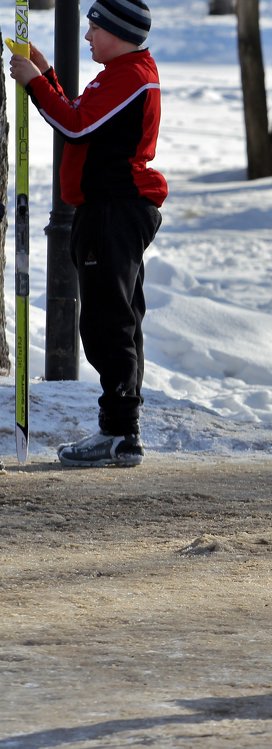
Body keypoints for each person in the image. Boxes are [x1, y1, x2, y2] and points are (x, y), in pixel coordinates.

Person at [8, 0, 167, 468]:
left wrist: (34, 85)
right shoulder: (119, 71)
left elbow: (75, 126)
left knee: (107, 321)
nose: (87, 37)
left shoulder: (131, 76)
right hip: (105, 208)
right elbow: (81, 111)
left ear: (116, 32)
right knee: (117, 317)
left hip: (114, 210)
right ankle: (120, 428)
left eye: (93, 28)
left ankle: (119, 432)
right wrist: (46, 73)